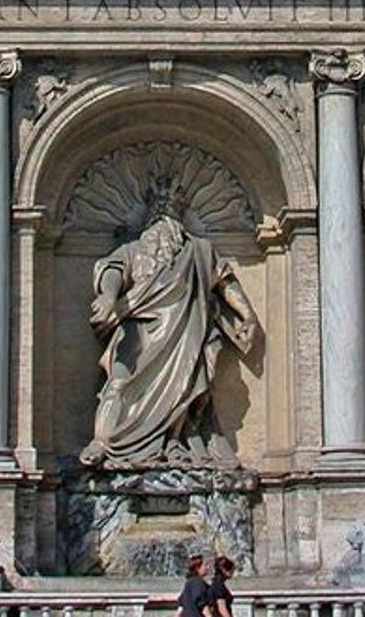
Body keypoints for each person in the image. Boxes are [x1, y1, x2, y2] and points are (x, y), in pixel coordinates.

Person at [81, 185, 257, 470]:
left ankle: (170, 442)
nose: (163, 225)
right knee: (119, 383)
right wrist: (108, 297)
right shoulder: (134, 249)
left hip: (186, 333)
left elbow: (224, 282)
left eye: (170, 218)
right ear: (149, 222)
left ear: (179, 223)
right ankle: (104, 441)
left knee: (182, 389)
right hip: (138, 332)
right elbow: (112, 269)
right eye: (158, 217)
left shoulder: (200, 251)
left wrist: (247, 315)